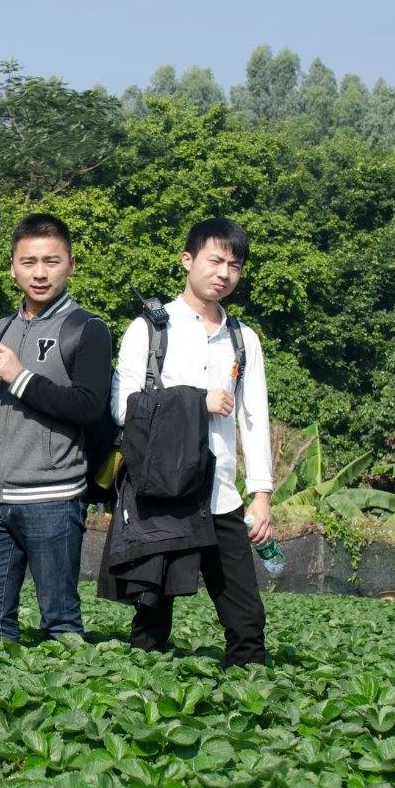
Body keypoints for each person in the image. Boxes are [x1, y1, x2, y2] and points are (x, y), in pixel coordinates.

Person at [106, 217, 273, 665]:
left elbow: (255, 419)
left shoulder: (243, 339)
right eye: (215, 260)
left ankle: (253, 702)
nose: (224, 273)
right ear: (188, 260)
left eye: (234, 266)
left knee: (246, 620)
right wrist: (196, 401)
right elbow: (122, 407)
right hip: (164, 493)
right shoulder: (150, 329)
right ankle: (139, 707)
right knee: (152, 619)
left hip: (221, 495)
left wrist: (262, 496)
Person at [0, 214, 113, 642]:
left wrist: (21, 378)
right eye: (28, 261)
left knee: (60, 622)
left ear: (71, 264)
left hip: (53, 496)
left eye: (51, 261)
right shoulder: (1, 327)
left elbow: (89, 406)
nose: (39, 272)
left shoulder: (88, 329)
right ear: (13, 267)